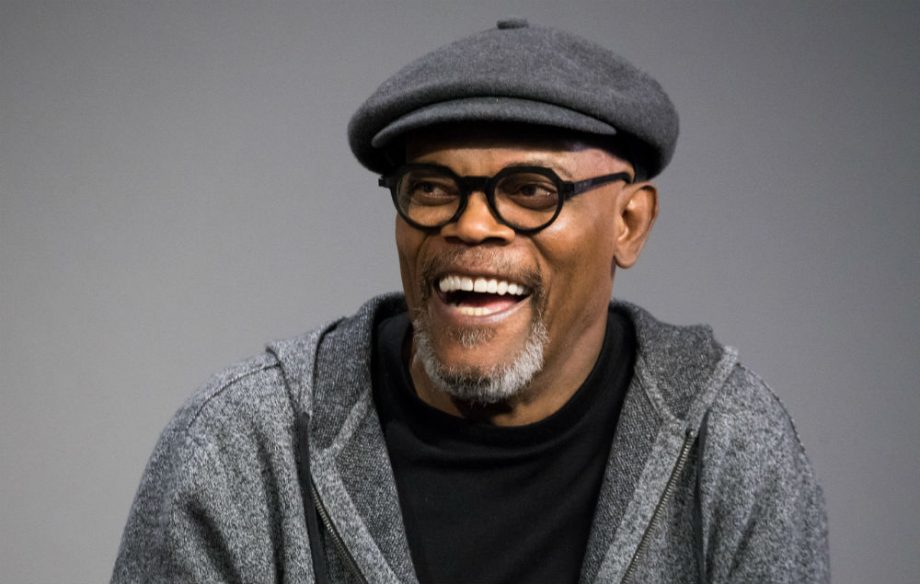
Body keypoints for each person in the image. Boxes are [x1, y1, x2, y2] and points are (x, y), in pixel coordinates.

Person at [112, 19, 829, 584]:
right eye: (432, 188)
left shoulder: (731, 450)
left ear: (629, 223)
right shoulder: (241, 450)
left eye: (531, 191)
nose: (472, 225)